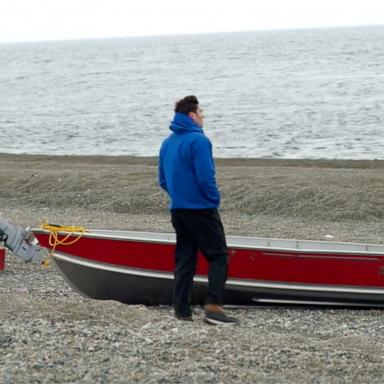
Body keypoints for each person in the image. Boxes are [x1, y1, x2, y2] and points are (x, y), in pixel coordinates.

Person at [158, 95, 238, 325]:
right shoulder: (199, 141)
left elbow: (163, 180)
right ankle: (214, 308)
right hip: (201, 208)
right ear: (192, 115)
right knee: (219, 256)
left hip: (179, 210)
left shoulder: (168, 142)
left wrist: (179, 195)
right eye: (201, 112)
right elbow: (206, 176)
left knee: (185, 259)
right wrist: (213, 198)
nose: (203, 116)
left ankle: (182, 309)